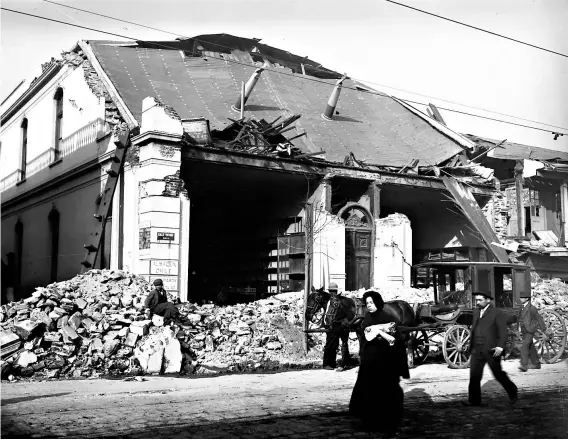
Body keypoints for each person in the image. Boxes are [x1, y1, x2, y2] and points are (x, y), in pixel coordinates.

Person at [349, 290, 409, 436]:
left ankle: (388, 424)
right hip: (370, 363)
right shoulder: (367, 319)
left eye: (371, 302)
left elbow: (397, 341)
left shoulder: (387, 317)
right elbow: (364, 340)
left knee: (386, 393)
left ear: (377, 302)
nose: (369, 305)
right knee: (369, 392)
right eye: (367, 303)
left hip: (386, 363)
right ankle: (370, 422)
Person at [464, 291, 518, 407]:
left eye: (480, 300)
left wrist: (500, 346)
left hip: (491, 349)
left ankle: (512, 391)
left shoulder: (496, 313)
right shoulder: (476, 311)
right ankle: (474, 400)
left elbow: (503, 331)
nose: (477, 302)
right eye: (476, 300)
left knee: (498, 373)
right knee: (474, 375)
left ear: (488, 300)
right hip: (477, 349)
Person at [322, 282, 353, 371]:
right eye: (331, 291)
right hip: (330, 325)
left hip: (337, 324)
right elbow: (327, 314)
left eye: (334, 291)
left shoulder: (338, 300)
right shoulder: (330, 301)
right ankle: (327, 363)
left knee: (335, 344)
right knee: (330, 344)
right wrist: (327, 324)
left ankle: (333, 363)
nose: (332, 293)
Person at [517, 291, 547, 371]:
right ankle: (537, 364)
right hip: (524, 330)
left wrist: (544, 329)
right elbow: (519, 318)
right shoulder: (521, 307)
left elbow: (539, 318)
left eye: (522, 297)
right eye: (520, 297)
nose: (520, 299)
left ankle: (524, 365)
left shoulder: (532, 308)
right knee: (530, 347)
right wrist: (518, 327)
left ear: (527, 298)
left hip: (530, 330)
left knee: (524, 346)